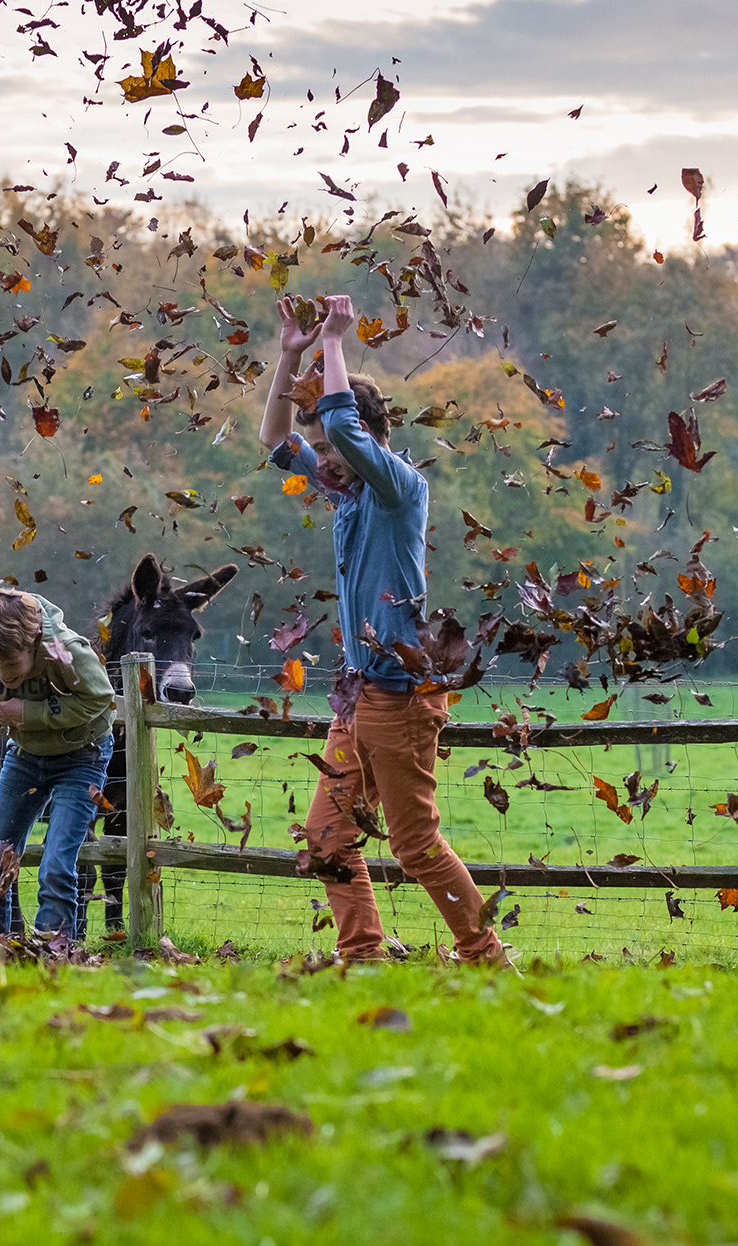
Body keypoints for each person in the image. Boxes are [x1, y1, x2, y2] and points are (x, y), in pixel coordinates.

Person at [260, 293, 509, 967]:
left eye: (330, 450)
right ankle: (363, 957)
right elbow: (274, 439)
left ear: (370, 437)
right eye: (318, 451)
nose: (321, 462)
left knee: (415, 844)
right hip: (359, 694)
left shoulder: (398, 489)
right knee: (327, 837)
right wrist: (290, 357)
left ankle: (486, 958)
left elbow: (343, 432)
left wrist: (333, 341)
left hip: (401, 697)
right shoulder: (345, 491)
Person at [0, 588, 116, 941]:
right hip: (24, 757)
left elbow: (101, 700)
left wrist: (28, 713)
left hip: (82, 756)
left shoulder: (66, 650)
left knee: (55, 867)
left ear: (33, 641)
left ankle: (55, 951)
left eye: (10, 664)